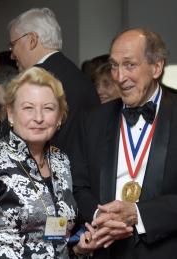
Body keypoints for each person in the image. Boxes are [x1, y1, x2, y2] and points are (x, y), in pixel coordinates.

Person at [0, 66, 97, 258]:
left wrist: (75, 250)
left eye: (48, 108)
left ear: (59, 117)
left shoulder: (60, 160)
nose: (39, 118)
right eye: (28, 108)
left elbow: (51, 239)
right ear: (10, 113)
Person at [70, 28, 177, 259]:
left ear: (156, 67)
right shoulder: (92, 120)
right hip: (106, 250)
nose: (119, 77)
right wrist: (101, 216)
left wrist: (139, 214)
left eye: (129, 65)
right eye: (114, 66)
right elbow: (78, 185)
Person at [8, 7, 100, 155]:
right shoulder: (75, 74)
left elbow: (13, 140)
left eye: (13, 45)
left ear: (32, 40)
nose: (11, 54)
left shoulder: (35, 81)